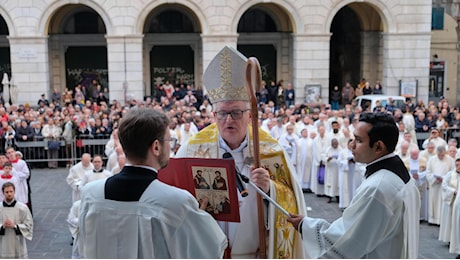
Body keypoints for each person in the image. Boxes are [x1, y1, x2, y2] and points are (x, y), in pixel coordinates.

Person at [176, 46, 306, 258]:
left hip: (254, 253)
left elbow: (293, 202)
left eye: (236, 112)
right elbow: (175, 195)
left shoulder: (270, 150)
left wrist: (270, 188)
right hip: (209, 251)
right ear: (213, 115)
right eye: (222, 113)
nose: (229, 120)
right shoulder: (193, 149)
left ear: (250, 115)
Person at [79, 108, 227, 258]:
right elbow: (208, 251)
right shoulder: (177, 202)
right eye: (169, 140)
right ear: (156, 147)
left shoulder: (90, 194)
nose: (171, 146)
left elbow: (83, 247)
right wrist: (200, 220)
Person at [287, 112, 420, 258]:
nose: (351, 145)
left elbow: (348, 239)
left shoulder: (377, 188)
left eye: (358, 140)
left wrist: (305, 226)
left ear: (378, 147)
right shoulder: (400, 174)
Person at [0, 182, 33, 258]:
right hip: (3, 244)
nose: (9, 194)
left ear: (14, 192)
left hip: (17, 242)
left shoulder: (22, 208)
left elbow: (29, 225)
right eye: (7, 192)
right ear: (3, 193)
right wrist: (2, 226)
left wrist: (15, 226)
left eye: (11, 191)